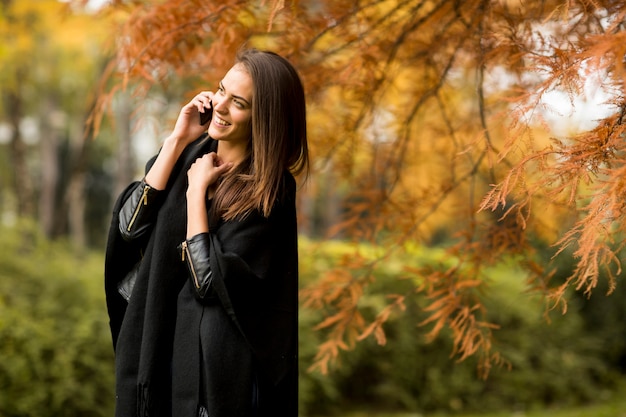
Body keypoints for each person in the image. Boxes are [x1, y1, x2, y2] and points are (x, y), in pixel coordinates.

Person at [104, 48, 308, 417]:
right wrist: (177, 141)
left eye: (239, 102)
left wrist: (196, 193)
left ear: (265, 118)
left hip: (209, 378)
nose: (221, 105)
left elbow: (209, 282)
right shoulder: (187, 155)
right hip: (156, 348)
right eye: (221, 90)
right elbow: (130, 229)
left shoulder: (270, 190)